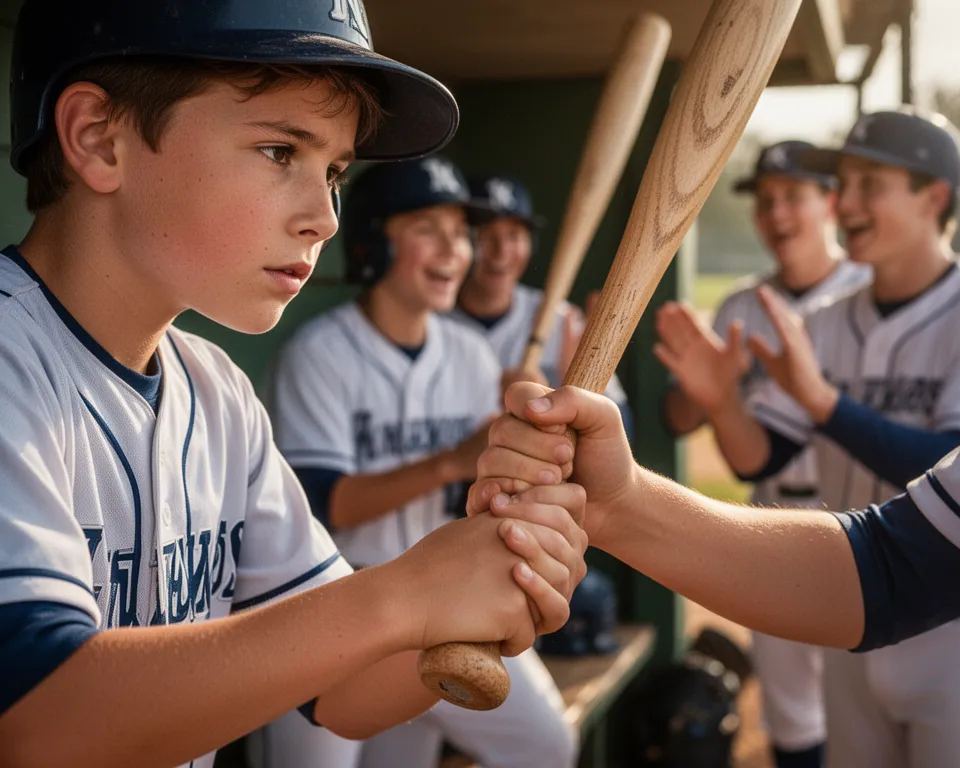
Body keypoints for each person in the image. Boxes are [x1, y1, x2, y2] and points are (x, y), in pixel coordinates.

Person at [0, 2, 587, 766]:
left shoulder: (215, 390)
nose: (326, 217)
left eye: (335, 172)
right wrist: (404, 594)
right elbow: (41, 721)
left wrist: (487, 584)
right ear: (98, 139)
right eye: (281, 151)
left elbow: (342, 693)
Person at [476, 109, 960, 768]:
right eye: (840, 182)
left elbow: (957, 482)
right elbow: (764, 459)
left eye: (867, 183)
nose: (843, 201)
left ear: (933, 197)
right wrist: (722, 404)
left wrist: (824, 405)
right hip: (846, 594)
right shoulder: (821, 321)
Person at [260, 156, 577, 768]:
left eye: (461, 232)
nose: (453, 250)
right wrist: (449, 462)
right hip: (333, 609)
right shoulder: (319, 354)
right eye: (427, 229)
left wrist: (532, 437)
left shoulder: (472, 355)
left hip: (450, 604)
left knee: (546, 745)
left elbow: (502, 493)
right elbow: (327, 500)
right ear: (375, 239)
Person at [657, 140, 869, 768]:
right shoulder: (741, 307)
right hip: (774, 517)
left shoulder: (868, 292)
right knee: (791, 710)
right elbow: (677, 417)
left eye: (793, 197)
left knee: (870, 707)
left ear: (829, 203)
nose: (777, 214)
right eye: (766, 201)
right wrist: (707, 393)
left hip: (865, 520)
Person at [449, 174, 632, 433]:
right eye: (485, 236)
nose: (501, 252)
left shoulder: (560, 320)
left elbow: (624, 432)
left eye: (514, 235)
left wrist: (581, 390)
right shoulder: (433, 324)